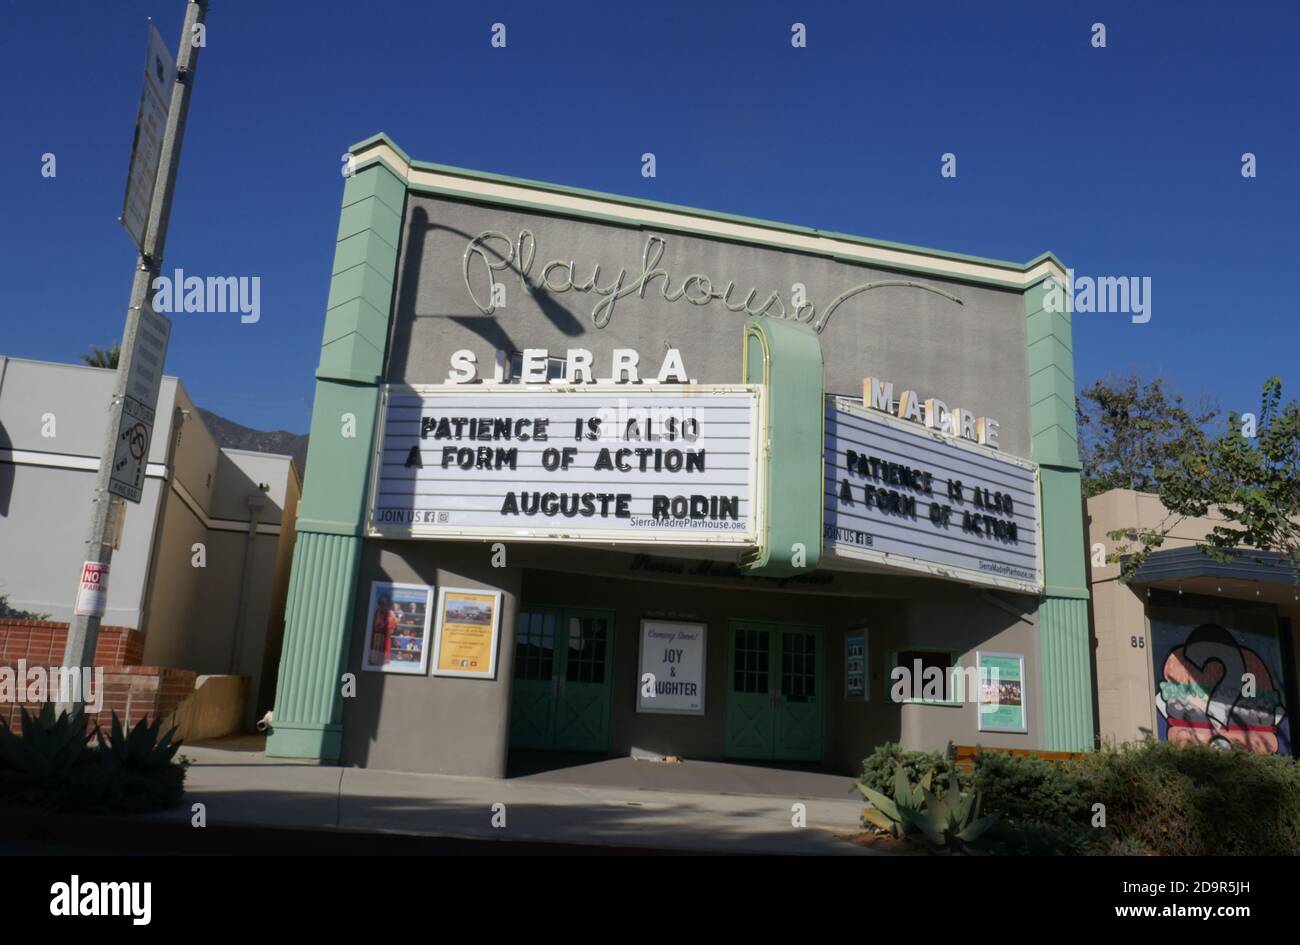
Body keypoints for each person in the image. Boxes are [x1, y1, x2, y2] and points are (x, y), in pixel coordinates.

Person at [371, 594, 397, 666]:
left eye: (384, 603)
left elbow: (390, 631)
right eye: (381, 603)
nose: (382, 605)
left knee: (384, 663)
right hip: (374, 640)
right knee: (372, 662)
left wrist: (381, 627)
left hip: (384, 640)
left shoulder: (391, 614)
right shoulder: (375, 612)